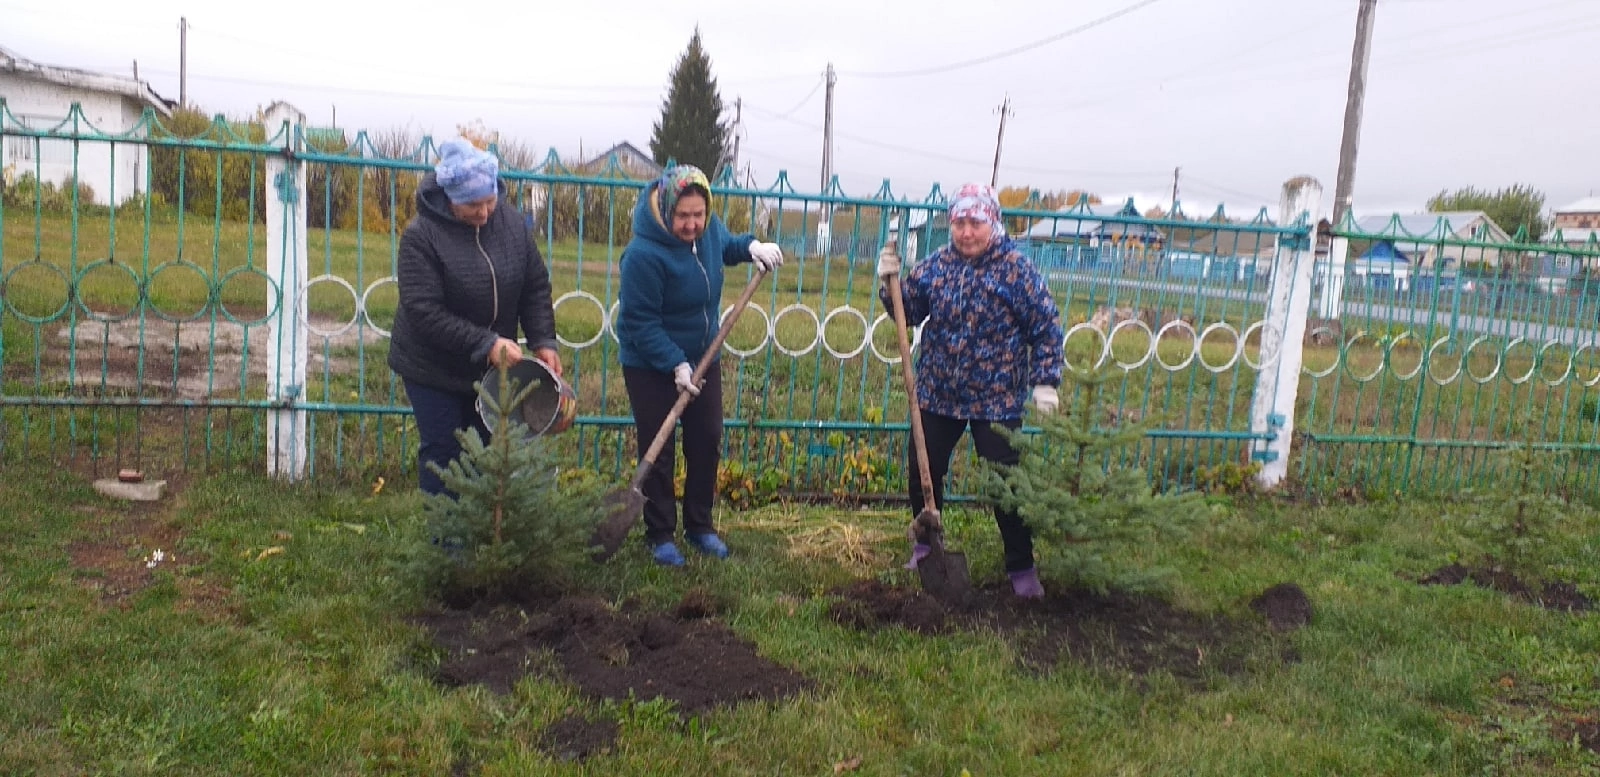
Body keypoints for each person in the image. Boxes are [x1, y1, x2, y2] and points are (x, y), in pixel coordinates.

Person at [876, 183, 1064, 598]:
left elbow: (1046, 326)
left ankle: (1021, 566)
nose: (965, 232)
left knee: (1005, 481)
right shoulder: (937, 265)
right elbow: (906, 311)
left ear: (992, 222)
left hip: (996, 397)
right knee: (923, 471)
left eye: (975, 222)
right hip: (939, 391)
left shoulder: (1016, 269)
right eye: (959, 222)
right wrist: (889, 283)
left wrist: (1046, 380)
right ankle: (926, 547)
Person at [615, 165, 785, 566]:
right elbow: (640, 322)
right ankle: (659, 534)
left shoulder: (707, 229)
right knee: (660, 447)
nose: (693, 224)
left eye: (699, 215)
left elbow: (723, 245)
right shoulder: (642, 255)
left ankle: (700, 526)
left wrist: (750, 247)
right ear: (668, 208)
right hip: (651, 363)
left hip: (704, 356)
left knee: (705, 439)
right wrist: (675, 364)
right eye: (683, 216)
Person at [388, 136, 562, 497]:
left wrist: (543, 340)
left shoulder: (512, 224)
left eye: (490, 200)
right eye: (472, 205)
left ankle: (483, 537)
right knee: (446, 455)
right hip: (432, 368)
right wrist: (485, 343)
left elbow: (534, 286)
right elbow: (424, 311)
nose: (484, 213)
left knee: (487, 452)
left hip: (490, 369)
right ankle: (446, 547)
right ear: (450, 199)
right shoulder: (421, 238)